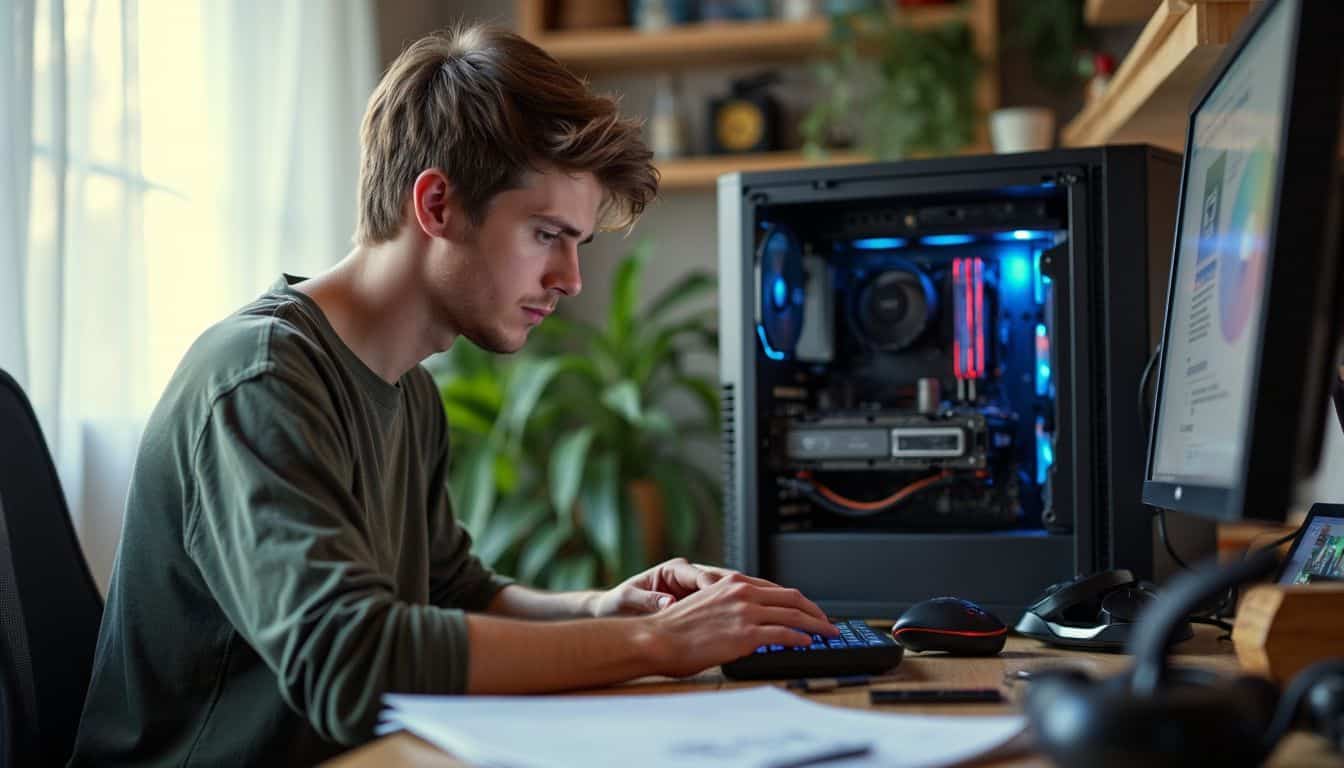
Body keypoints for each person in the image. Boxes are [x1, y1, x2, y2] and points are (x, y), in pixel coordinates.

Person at [69, 24, 837, 766]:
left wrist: (607, 609)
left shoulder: (407, 391)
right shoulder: (262, 379)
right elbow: (350, 661)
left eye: (578, 243)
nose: (569, 279)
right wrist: (655, 645)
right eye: (546, 234)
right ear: (436, 206)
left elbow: (455, 591)